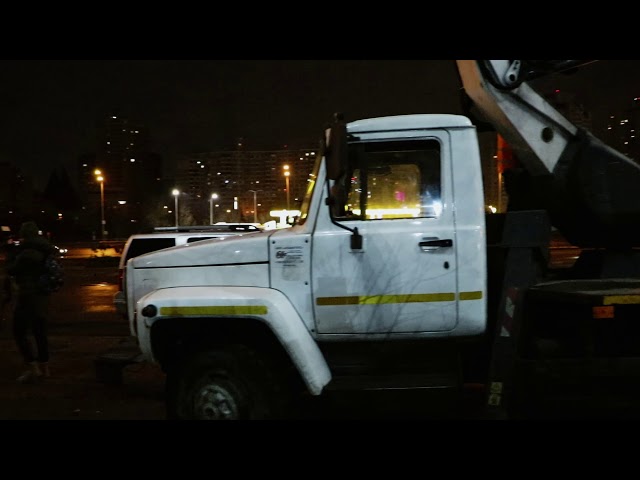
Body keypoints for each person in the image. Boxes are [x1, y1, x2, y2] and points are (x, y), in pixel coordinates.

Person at [7, 221, 55, 383]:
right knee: (39, 331)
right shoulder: (45, 248)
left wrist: (11, 256)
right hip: (42, 294)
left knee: (19, 331)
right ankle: (45, 367)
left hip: (28, 295)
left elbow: (12, 269)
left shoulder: (27, 252)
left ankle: (33, 367)